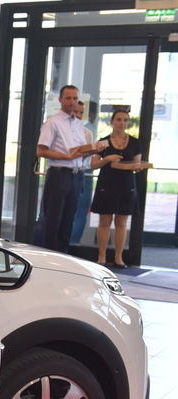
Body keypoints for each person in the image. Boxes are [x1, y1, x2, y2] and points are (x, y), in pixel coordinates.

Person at [36, 85, 105, 253]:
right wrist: (65, 157)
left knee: (68, 220)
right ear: (60, 100)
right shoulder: (53, 123)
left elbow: (78, 153)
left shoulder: (79, 125)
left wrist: (93, 151)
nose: (72, 102)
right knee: (53, 220)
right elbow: (41, 151)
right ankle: (49, 258)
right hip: (59, 175)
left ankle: (63, 257)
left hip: (76, 175)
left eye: (75, 98)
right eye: (68, 98)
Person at [90, 109, 152, 267]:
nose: (122, 123)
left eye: (125, 120)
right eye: (118, 119)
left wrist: (138, 167)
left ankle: (119, 257)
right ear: (111, 122)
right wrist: (107, 159)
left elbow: (136, 164)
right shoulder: (103, 142)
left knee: (122, 222)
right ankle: (102, 257)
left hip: (126, 184)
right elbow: (93, 165)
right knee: (104, 221)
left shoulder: (135, 142)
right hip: (107, 183)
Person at [69, 100, 96, 244]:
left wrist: (89, 152)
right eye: (76, 112)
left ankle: (74, 243)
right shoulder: (59, 130)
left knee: (80, 211)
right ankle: (58, 245)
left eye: (81, 112)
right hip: (64, 171)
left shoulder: (87, 133)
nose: (79, 115)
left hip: (82, 172)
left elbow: (87, 158)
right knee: (62, 210)